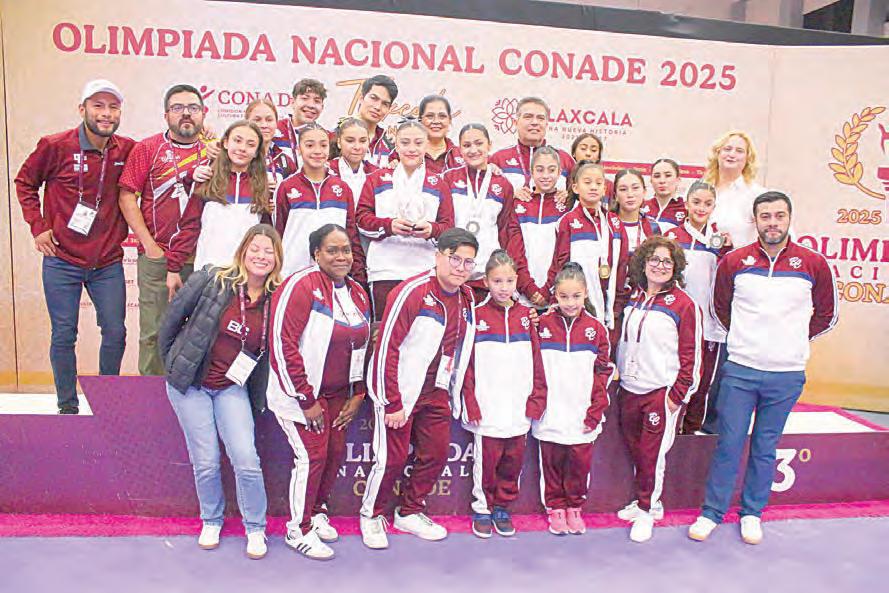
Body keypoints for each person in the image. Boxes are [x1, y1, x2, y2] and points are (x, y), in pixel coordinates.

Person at [689, 192, 837, 546]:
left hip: (786, 374)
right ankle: (711, 512)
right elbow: (720, 309)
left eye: (779, 215)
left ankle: (752, 513)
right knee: (729, 444)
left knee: (765, 446)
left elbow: (827, 315)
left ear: (789, 218)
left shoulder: (814, 264)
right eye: (765, 216)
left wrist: (790, 341)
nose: (773, 223)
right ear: (755, 220)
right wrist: (747, 339)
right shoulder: (734, 261)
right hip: (741, 370)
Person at [159, 223, 283, 560]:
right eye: (255, 248)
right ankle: (211, 520)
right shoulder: (212, 279)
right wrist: (175, 365)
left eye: (269, 251)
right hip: (192, 386)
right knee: (207, 460)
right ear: (243, 251)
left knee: (246, 459)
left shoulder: (277, 298)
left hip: (232, 387)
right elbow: (170, 322)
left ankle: (255, 528)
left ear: (277, 259)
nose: (261, 256)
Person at [15, 79, 135, 414]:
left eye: (113, 107)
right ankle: (67, 406)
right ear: (82, 109)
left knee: (115, 332)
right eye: (98, 106)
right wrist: (38, 226)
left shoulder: (128, 150)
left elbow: (159, 159)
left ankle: (107, 405)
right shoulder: (54, 146)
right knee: (64, 334)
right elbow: (25, 182)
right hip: (62, 259)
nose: (106, 114)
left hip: (107, 261)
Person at [359, 228, 478, 550]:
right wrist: (391, 401)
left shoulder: (467, 298)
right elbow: (387, 347)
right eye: (455, 259)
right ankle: (371, 515)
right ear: (438, 256)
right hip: (400, 390)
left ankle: (409, 511)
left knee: (436, 453)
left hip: (437, 391)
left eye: (468, 262)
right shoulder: (411, 291)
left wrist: (452, 391)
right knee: (392, 459)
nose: (461, 268)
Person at [268, 224, 371, 560]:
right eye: (332, 250)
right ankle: (298, 529)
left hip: (339, 395)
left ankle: (316, 512)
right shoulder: (299, 285)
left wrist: (358, 393)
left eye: (346, 250)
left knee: (334, 454)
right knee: (311, 457)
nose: (341, 257)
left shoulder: (357, 292)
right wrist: (305, 399)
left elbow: (362, 345)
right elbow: (282, 345)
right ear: (316, 253)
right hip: (302, 398)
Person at [615, 236, 702, 543]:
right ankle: (646, 501)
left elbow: (692, 355)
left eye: (667, 261)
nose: (660, 266)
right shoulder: (634, 297)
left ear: (676, 267)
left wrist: (677, 395)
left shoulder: (684, 305)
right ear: (643, 263)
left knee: (653, 455)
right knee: (637, 450)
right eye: (654, 259)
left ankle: (647, 509)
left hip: (660, 392)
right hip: (629, 388)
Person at [118, 83, 208, 376]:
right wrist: (149, 246)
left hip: (203, 259)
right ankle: (151, 395)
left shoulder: (216, 151)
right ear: (166, 115)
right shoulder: (147, 148)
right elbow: (126, 196)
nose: (186, 114)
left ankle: (193, 394)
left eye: (193, 108)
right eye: (178, 108)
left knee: (201, 336)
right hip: (158, 257)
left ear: (203, 113)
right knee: (154, 333)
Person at [461, 250, 546, 539]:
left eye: (509, 281)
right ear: (486, 281)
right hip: (487, 408)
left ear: (517, 281)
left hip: (518, 408)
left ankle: (502, 507)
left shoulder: (526, 317)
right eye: (497, 281)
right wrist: (470, 402)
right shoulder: (476, 316)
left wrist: (537, 398)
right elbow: (466, 365)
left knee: (512, 462)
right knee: (486, 464)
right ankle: (483, 508)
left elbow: (536, 360)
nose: (504, 287)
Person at [532, 262, 614, 536]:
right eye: (564, 296)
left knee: (579, 465)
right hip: (550, 413)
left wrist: (596, 410)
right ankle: (555, 508)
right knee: (551, 463)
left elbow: (603, 372)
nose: (570, 303)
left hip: (582, 413)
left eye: (576, 296)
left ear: (586, 293)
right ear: (554, 295)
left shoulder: (596, 329)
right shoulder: (541, 326)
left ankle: (574, 507)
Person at [356, 119, 455, 320]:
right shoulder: (377, 178)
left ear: (426, 145)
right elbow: (361, 219)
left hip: (424, 270)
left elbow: (448, 227)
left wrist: (432, 230)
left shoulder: (438, 183)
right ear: (396, 144)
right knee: (384, 328)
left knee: (422, 329)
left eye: (418, 143)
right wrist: (388, 225)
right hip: (385, 270)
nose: (411, 149)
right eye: (405, 142)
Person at [166, 120, 271, 299]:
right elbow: (190, 227)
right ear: (225, 143)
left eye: (250, 144)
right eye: (237, 140)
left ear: (256, 152)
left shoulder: (264, 187)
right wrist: (173, 268)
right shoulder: (206, 179)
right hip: (208, 275)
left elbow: (269, 236)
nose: (242, 148)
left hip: (248, 280)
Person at [442, 123, 534, 301]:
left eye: (479, 143)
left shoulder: (503, 184)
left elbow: (505, 231)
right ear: (459, 149)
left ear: (489, 145)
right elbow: (443, 223)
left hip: (486, 275)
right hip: (454, 272)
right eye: (467, 145)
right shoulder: (448, 178)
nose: (473, 150)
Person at [663, 181, 728, 434]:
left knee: (701, 382)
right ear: (686, 204)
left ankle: (690, 433)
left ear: (714, 207)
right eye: (696, 202)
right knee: (674, 376)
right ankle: (668, 429)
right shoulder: (672, 237)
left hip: (708, 325)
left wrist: (725, 250)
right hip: (675, 321)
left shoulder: (720, 240)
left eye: (707, 204)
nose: (701, 208)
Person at [273, 123, 365, 280]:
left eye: (323, 145)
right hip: (292, 274)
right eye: (310, 145)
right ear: (298, 149)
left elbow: (351, 235)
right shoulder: (286, 187)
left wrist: (358, 277)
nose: (317, 151)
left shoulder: (343, 188)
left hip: (333, 276)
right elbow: (277, 234)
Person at [547, 161, 622, 330]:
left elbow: (622, 264)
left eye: (598, 183)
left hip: (610, 306)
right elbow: (560, 263)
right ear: (575, 187)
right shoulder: (567, 221)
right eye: (587, 182)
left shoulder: (614, 223)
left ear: (605, 189)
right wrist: (555, 300)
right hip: (576, 305)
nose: (593, 187)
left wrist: (617, 305)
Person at [511, 146, 570, 309]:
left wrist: (548, 289)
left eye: (551, 170)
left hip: (554, 297)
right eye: (539, 170)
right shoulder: (519, 204)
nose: (545, 176)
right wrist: (528, 288)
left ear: (559, 173)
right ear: (531, 172)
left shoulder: (567, 206)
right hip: (522, 295)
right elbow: (515, 251)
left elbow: (563, 254)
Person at [610, 169, 662, 340]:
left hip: (640, 302)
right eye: (623, 189)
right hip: (610, 302)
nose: (630, 194)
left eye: (635, 188)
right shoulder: (606, 224)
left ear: (644, 192)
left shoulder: (652, 227)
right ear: (615, 195)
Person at [489, 97, 575, 200]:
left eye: (540, 118)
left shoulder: (564, 159)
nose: (535, 122)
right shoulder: (498, 159)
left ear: (546, 124)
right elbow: (484, 197)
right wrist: (509, 195)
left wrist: (569, 197)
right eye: (528, 117)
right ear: (515, 123)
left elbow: (580, 197)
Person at [703, 130, 765, 249]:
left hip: (737, 259)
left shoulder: (757, 195)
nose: (732, 154)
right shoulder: (699, 189)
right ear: (717, 153)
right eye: (727, 149)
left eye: (739, 151)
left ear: (748, 158)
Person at [328, 117, 380, 211]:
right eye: (350, 141)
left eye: (363, 141)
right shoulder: (326, 170)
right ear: (339, 142)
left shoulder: (376, 173)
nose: (357, 147)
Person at [245, 98, 297, 192]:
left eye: (269, 120)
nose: (264, 125)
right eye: (257, 120)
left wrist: (280, 192)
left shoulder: (285, 161)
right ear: (246, 123)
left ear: (276, 123)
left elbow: (294, 195)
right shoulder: (236, 156)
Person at [275, 78, 327, 166]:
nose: (311, 105)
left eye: (317, 101)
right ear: (293, 102)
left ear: (322, 107)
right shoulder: (274, 130)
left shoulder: (326, 137)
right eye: (305, 98)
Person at [355, 75, 399, 167]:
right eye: (374, 98)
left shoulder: (391, 144)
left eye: (385, 104)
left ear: (389, 109)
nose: (378, 107)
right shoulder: (337, 136)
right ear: (361, 98)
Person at [418, 94, 463, 174]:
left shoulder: (462, 155)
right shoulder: (406, 154)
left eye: (442, 116)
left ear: (450, 120)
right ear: (420, 120)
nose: (436, 121)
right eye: (430, 116)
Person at [641, 158, 686, 231]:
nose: (662, 181)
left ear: (678, 180)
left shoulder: (686, 209)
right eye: (657, 176)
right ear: (651, 180)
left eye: (668, 175)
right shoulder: (641, 207)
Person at [570, 133, 612, 201]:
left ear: (598, 156)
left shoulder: (608, 185)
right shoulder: (564, 180)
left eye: (593, 150)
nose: (588, 153)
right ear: (574, 153)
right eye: (583, 149)